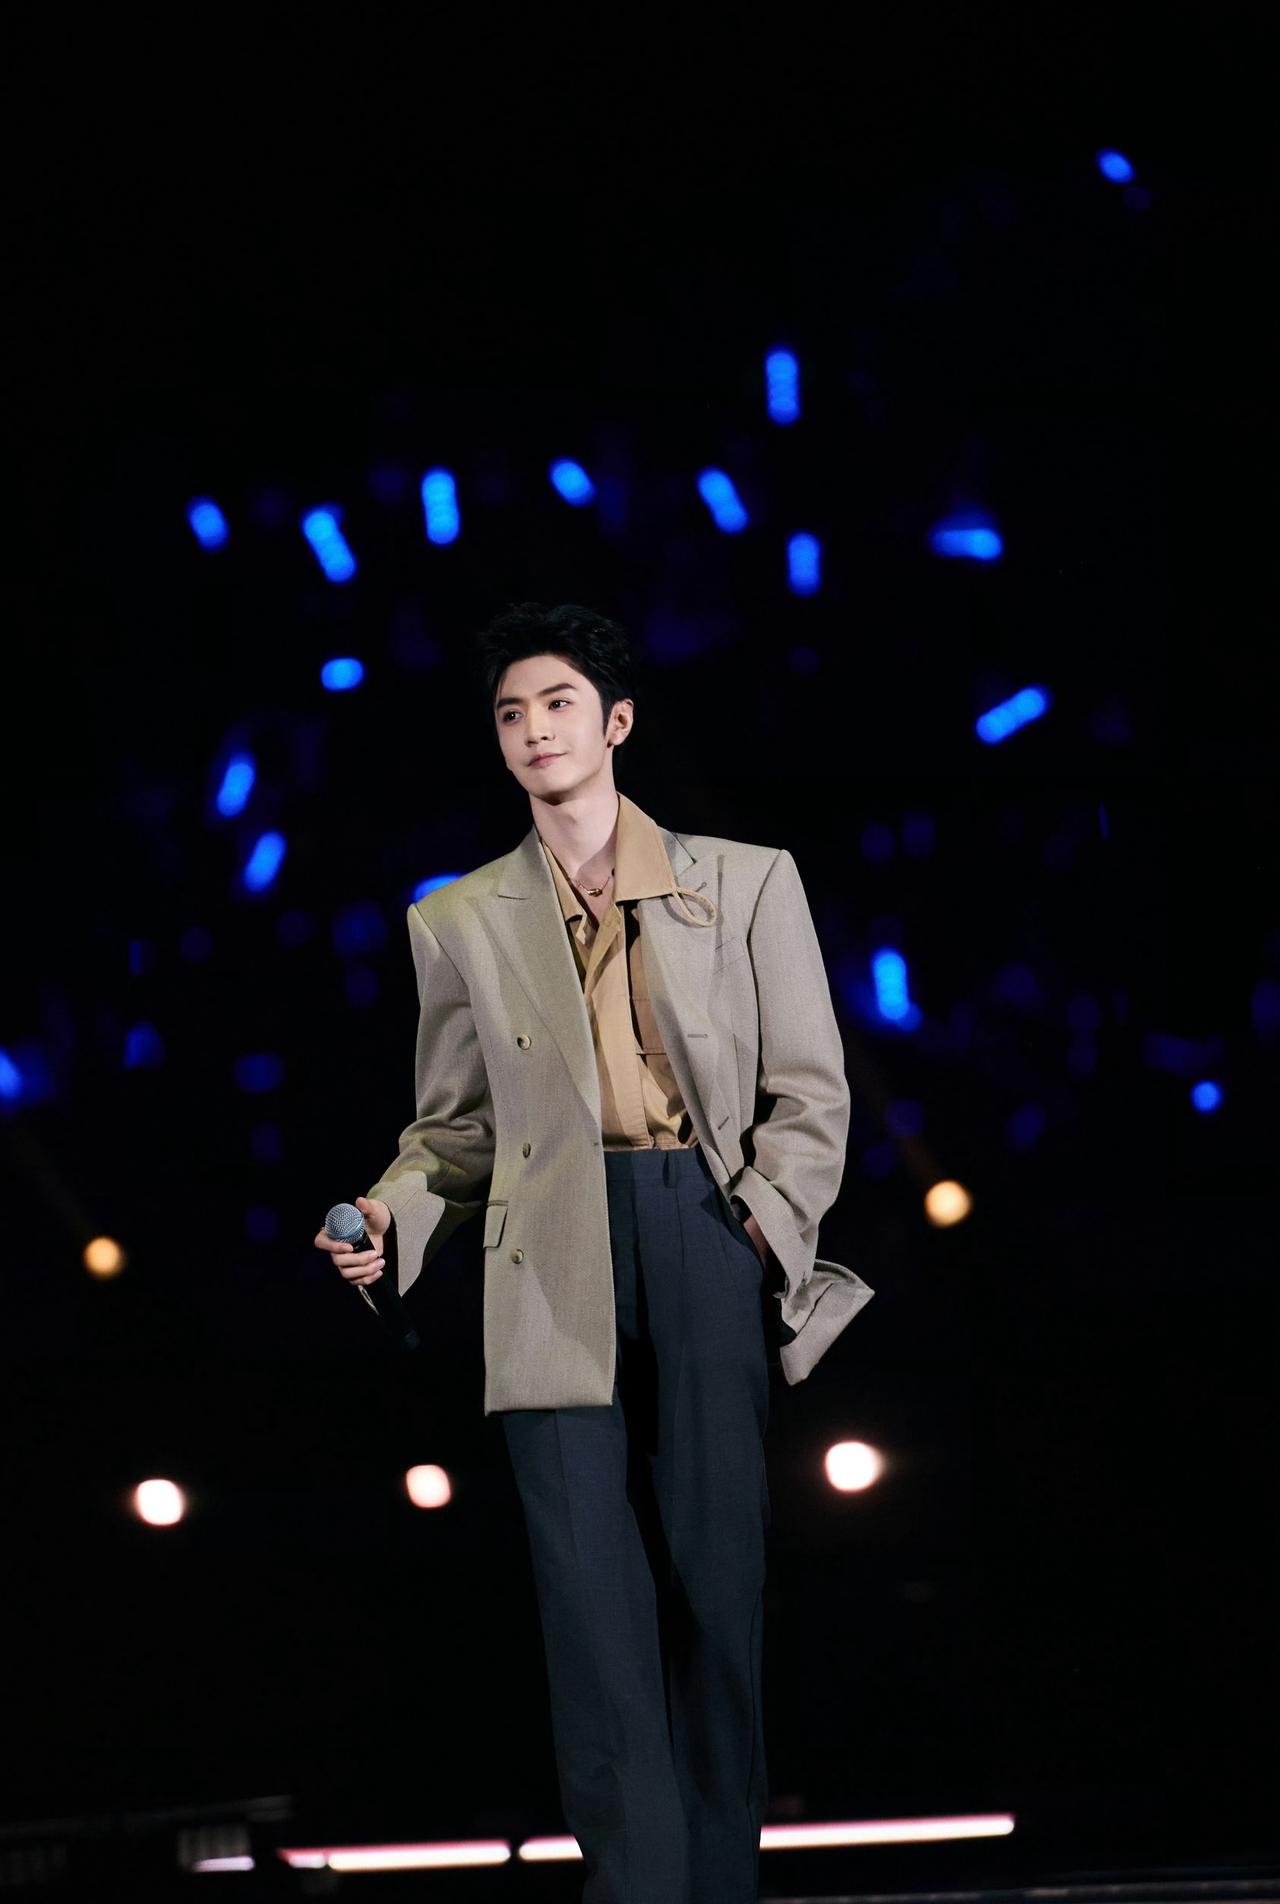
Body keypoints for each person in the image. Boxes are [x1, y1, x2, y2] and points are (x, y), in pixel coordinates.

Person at [314, 601, 874, 1903]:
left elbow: (811, 1091)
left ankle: (717, 1883)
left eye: (558, 703)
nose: (533, 729)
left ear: (616, 722)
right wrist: (390, 1216)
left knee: (715, 1580)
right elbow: (453, 1129)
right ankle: (636, 1889)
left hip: (701, 1228)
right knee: (587, 1602)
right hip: (543, 1258)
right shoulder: (458, 917)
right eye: (511, 712)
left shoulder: (746, 879)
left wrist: (759, 1223)